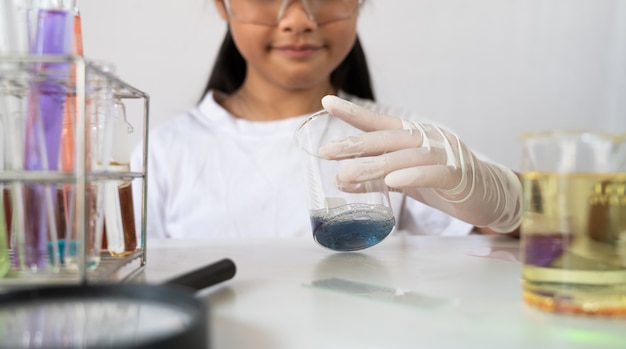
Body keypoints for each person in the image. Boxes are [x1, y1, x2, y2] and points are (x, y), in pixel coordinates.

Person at [131, 0, 521, 239]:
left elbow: (560, 232)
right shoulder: (161, 156)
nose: (298, 18)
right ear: (222, 4)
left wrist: (508, 203)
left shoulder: (401, 140)